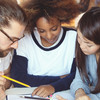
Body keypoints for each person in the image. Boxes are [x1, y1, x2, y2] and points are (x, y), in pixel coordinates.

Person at [11, 0, 80, 98]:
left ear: (61, 20)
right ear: (35, 26)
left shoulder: (73, 38)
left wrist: (53, 87)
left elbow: (78, 76)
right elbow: (18, 79)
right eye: (42, 31)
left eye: (54, 29)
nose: (49, 36)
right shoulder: (25, 39)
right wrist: (60, 79)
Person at [57, 7, 100, 100]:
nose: (82, 46)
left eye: (89, 44)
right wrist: (79, 93)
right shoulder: (87, 53)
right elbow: (79, 80)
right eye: (79, 38)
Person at [0, 0, 27, 99]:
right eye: (12, 39)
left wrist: (2, 86)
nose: (16, 46)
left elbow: (7, 74)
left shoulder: (3, 51)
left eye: (18, 39)